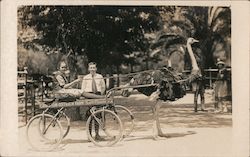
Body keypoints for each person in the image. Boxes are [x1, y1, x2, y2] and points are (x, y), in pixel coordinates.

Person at [81, 62, 106, 140]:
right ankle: (89, 135)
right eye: (91, 68)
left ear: (96, 68)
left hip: (97, 95)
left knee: (97, 115)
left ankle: (97, 134)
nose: (92, 69)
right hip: (88, 96)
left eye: (93, 68)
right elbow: (83, 89)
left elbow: (103, 87)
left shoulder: (100, 76)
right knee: (90, 116)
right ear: (88, 69)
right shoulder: (86, 77)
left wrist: (100, 96)